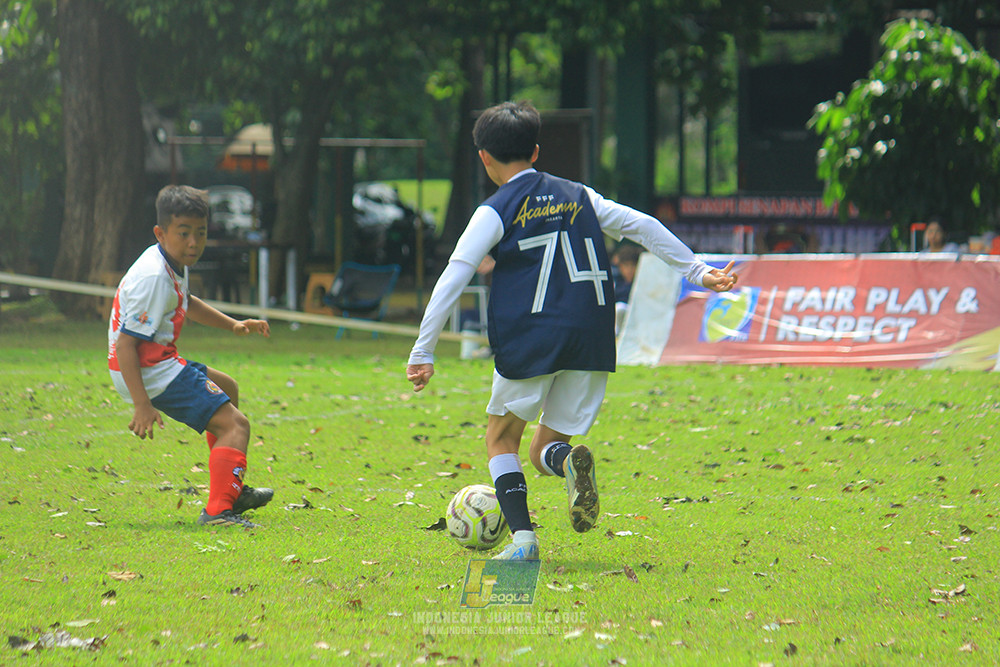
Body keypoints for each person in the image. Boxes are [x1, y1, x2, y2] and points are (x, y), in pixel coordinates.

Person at [405, 101, 738, 561]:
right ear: (536, 151)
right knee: (547, 446)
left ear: (484, 158)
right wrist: (698, 270)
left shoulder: (495, 208)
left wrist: (423, 350)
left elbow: (455, 274)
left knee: (501, 439)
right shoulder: (579, 193)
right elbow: (641, 225)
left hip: (532, 334)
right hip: (590, 334)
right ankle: (567, 464)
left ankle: (524, 544)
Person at [108, 185, 273, 528]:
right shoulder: (154, 276)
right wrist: (142, 404)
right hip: (148, 370)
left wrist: (233, 325)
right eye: (184, 233)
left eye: (201, 233)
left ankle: (232, 490)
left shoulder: (170, 261)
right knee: (236, 424)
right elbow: (125, 345)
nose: (194, 243)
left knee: (228, 387)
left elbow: (186, 302)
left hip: (158, 363)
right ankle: (218, 512)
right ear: (161, 232)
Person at [611, 243, 642, 334]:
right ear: (620, 267)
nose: (629, 270)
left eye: (632, 266)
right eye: (625, 266)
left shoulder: (641, 283)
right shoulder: (616, 283)